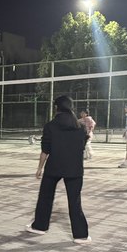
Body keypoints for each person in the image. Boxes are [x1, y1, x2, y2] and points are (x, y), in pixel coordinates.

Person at [26, 95, 90, 243]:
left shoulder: (50, 126)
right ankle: (81, 235)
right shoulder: (80, 127)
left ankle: (40, 227)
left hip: (53, 167)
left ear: (56, 108)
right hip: (74, 169)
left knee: (45, 197)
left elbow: (45, 150)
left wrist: (39, 168)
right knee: (75, 202)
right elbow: (82, 146)